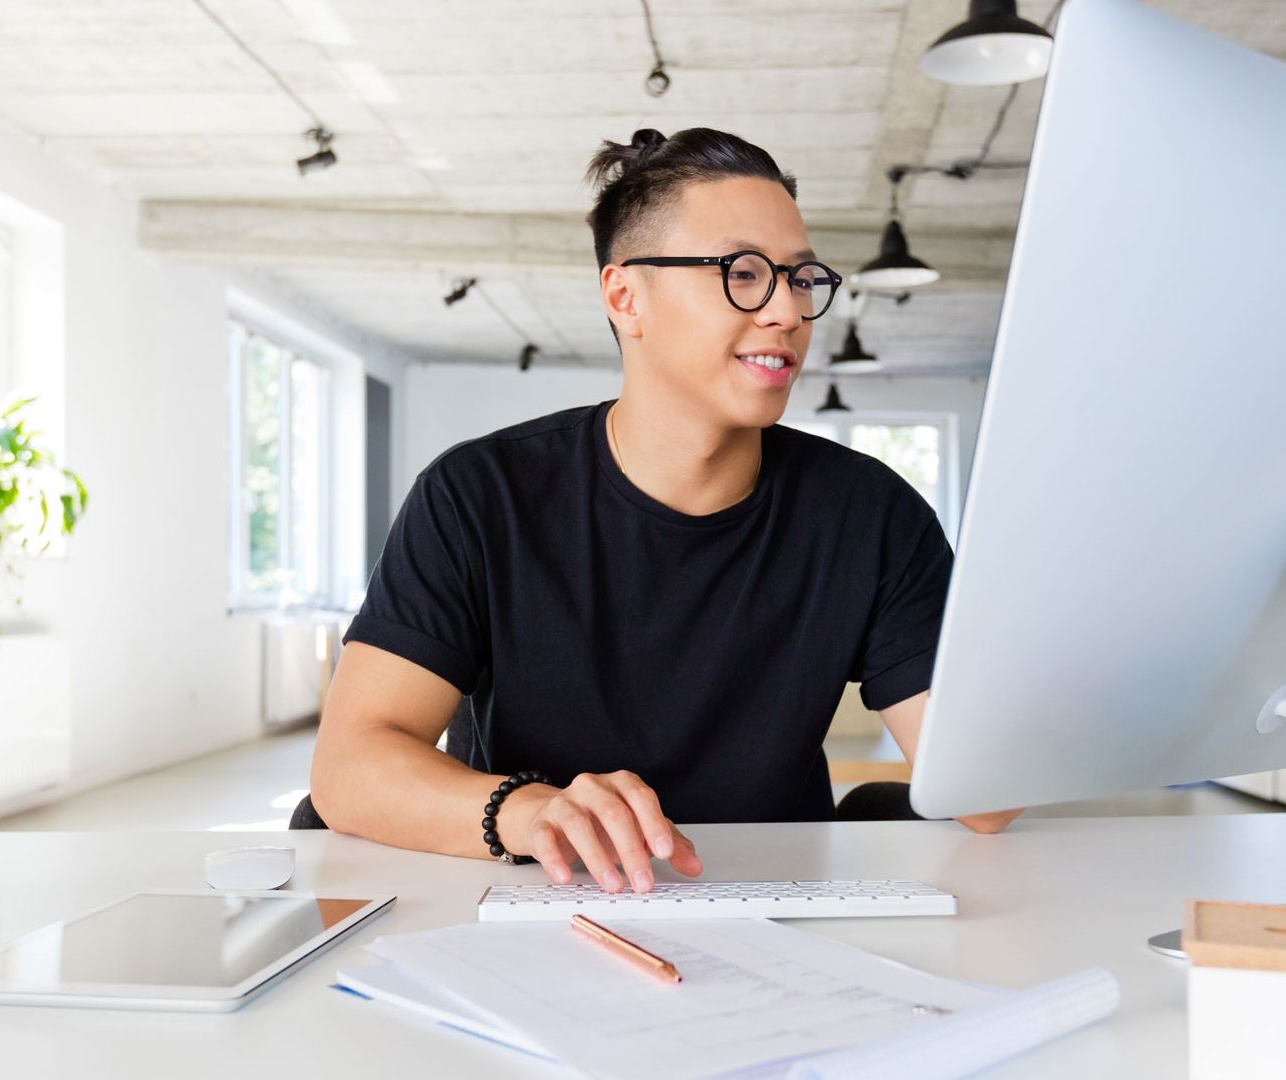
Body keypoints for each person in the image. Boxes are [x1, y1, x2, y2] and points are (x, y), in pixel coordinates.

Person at [308, 127, 1020, 895]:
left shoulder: (871, 514)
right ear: (625, 297)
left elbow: (982, 800)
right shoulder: (479, 496)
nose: (788, 310)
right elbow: (349, 768)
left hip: (777, 907)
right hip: (539, 898)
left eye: (801, 276)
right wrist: (527, 812)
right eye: (743, 273)